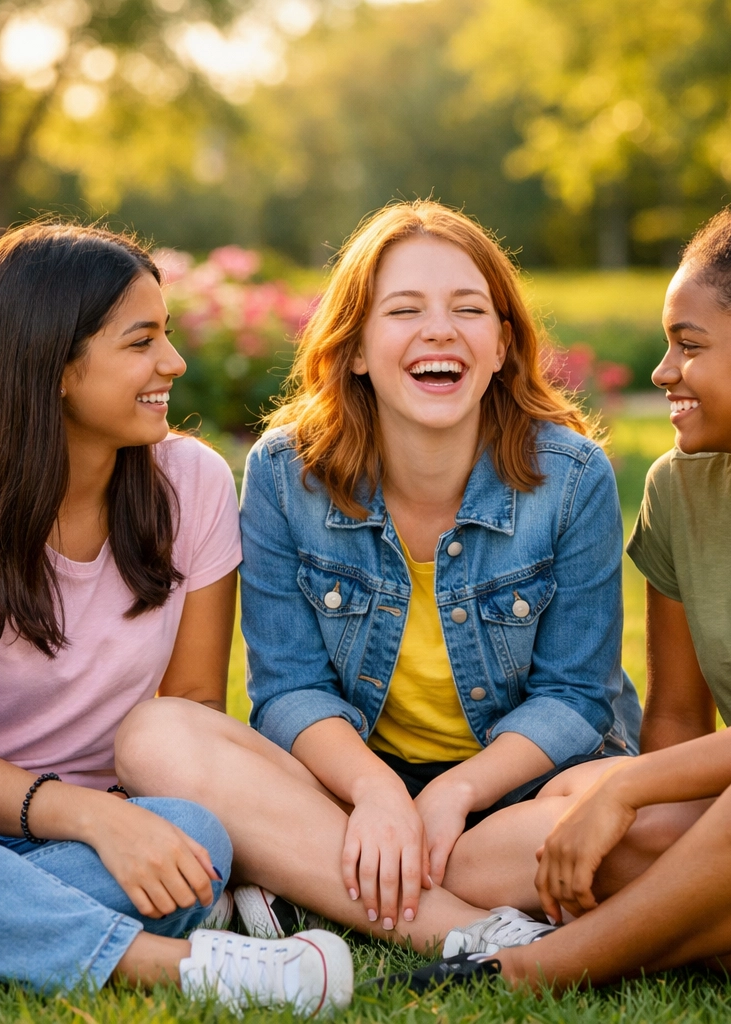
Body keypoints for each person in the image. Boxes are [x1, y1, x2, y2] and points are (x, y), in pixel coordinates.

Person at [414, 140, 731, 1010]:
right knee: (502, 847)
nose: (664, 374)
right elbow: (676, 722)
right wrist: (626, 803)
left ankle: (541, 967)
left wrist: (629, 794)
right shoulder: (679, 489)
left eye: (688, 347)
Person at [115, 200, 642, 952]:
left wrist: (455, 793)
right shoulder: (282, 472)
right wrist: (378, 792)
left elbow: (576, 698)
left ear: (501, 345)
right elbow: (289, 689)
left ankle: (326, 880)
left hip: (524, 794)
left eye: (469, 308)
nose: (440, 330)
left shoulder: (572, 476)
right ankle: (471, 926)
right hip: (353, 790)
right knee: (157, 734)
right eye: (404, 310)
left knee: (622, 811)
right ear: (355, 346)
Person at [0, 222, 351, 1013]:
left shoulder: (193, 484)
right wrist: (86, 817)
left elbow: (190, 709)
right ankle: (175, 967)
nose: (174, 363)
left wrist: (117, 824)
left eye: (170, 335)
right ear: (53, 365)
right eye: (140, 341)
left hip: (111, 829)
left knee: (197, 837)